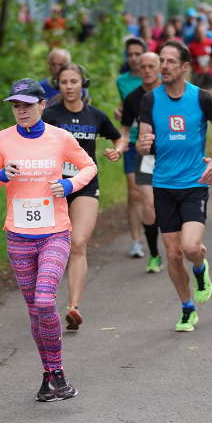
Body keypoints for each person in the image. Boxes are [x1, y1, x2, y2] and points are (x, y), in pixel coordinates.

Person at [0, 78, 97, 401]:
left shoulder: (60, 138)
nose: (21, 111)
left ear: (42, 106)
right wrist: (3, 176)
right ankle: (50, 376)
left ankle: (57, 369)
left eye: (27, 105)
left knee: (45, 300)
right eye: (16, 106)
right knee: (35, 310)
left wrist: (70, 186)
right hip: (18, 236)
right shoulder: (2, 140)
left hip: (55, 233)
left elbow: (89, 166)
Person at [136, 40, 212, 332]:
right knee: (174, 254)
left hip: (194, 182)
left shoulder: (201, 98)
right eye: (161, 61)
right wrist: (142, 145)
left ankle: (201, 268)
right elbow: (142, 144)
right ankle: (187, 308)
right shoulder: (150, 100)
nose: (163, 67)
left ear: (184, 67)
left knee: (190, 247)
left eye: (170, 62)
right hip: (163, 184)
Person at [42, 65, 126, 330]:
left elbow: (118, 137)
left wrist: (118, 150)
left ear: (82, 84)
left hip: (85, 185)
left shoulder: (95, 115)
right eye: (64, 82)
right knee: (50, 245)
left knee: (78, 243)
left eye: (74, 81)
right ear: (58, 85)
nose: (69, 86)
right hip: (54, 187)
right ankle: (44, 303)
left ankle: (73, 307)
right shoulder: (50, 114)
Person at [120, 52, 164, 274]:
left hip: (173, 156)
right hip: (145, 155)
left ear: (159, 68)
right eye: (143, 66)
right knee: (148, 204)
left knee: (170, 203)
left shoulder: (171, 93)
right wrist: (122, 145)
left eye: (151, 66)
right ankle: (155, 254)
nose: (147, 70)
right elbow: (125, 129)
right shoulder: (133, 98)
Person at [116, 37, 148, 258]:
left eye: (138, 54)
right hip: (131, 139)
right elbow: (125, 108)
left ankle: (153, 228)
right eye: (131, 55)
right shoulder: (122, 81)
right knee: (134, 191)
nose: (134, 59)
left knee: (152, 193)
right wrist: (121, 113)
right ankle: (136, 240)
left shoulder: (155, 80)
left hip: (153, 141)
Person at [188, 19, 212, 90]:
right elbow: (189, 60)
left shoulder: (211, 43)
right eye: (198, 33)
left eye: (202, 32)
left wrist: (210, 67)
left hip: (209, 74)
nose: (200, 35)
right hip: (197, 74)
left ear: (205, 32)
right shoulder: (191, 46)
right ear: (195, 33)